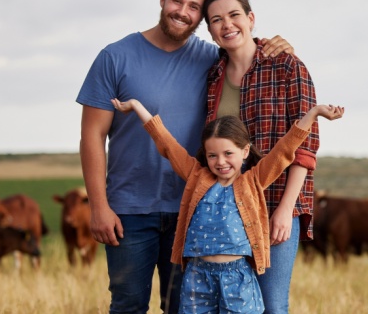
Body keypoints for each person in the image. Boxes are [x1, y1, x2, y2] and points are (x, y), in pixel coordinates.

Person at [76, 0, 294, 314]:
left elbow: (245, 48)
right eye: (177, 0)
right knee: (128, 303)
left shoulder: (212, 58)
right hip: (129, 209)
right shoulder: (115, 57)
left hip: (193, 209)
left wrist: (275, 45)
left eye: (194, 6)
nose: (183, 11)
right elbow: (92, 136)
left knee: (182, 307)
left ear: (200, 17)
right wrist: (98, 206)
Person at [110, 97, 344, 313]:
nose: (220, 162)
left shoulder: (253, 181)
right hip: (197, 275)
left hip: (238, 277)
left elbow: (284, 150)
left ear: (244, 151)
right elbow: (168, 146)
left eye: (228, 153)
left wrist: (313, 113)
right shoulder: (196, 177)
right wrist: (137, 107)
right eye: (212, 155)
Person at [201, 0, 319, 312]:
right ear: (210, 31)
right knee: (231, 303)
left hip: (275, 203)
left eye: (234, 15)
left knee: (271, 305)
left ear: (251, 18)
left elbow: (306, 145)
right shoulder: (213, 76)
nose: (227, 25)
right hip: (227, 208)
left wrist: (286, 209)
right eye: (216, 20)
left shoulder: (287, 66)